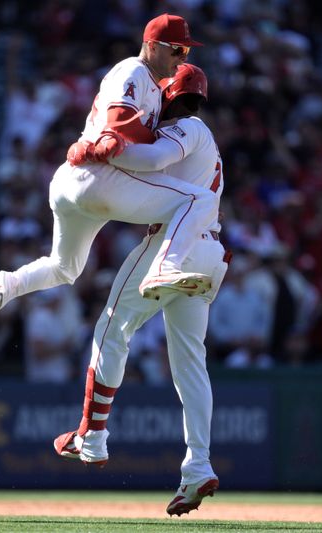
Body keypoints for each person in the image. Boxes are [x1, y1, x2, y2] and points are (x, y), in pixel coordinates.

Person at [0, 13, 219, 332]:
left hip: (73, 181)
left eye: (186, 52)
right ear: (151, 45)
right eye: (177, 49)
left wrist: (101, 143)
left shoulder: (152, 88)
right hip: (98, 178)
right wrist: (104, 141)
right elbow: (118, 122)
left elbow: (123, 137)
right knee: (199, 199)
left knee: (64, 268)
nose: (181, 57)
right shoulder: (134, 69)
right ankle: (165, 269)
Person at [52, 64, 228, 516]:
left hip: (175, 244)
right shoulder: (201, 132)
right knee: (191, 367)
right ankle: (198, 466)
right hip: (210, 251)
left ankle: (92, 435)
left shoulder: (186, 128)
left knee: (112, 328)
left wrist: (98, 148)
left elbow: (148, 160)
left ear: (168, 95)